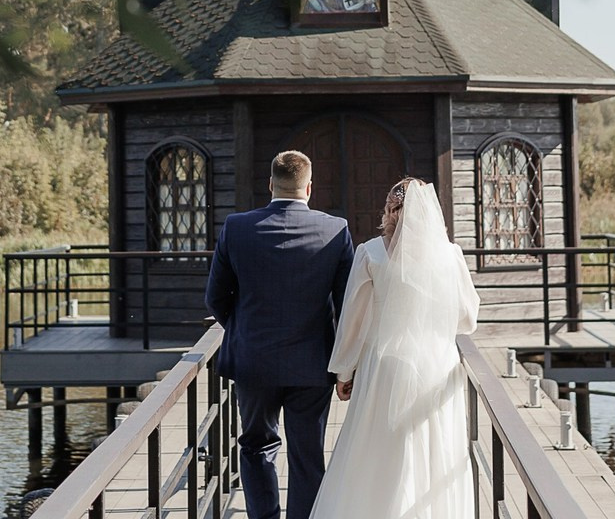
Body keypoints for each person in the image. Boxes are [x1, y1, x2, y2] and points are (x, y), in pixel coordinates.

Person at [310, 178, 481, 519]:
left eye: (390, 208)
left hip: (384, 365)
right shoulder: (451, 255)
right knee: (434, 454)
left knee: (376, 455)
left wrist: (344, 371)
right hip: (437, 366)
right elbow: (466, 319)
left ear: (390, 210)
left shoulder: (371, 252)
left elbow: (353, 321)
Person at [205, 150, 355, 519]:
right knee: (307, 456)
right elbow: (348, 304)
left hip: (253, 361)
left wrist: (243, 331)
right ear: (309, 187)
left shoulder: (236, 228)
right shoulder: (336, 229)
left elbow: (215, 298)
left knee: (256, 447)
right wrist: (345, 367)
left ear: (270, 184)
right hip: (313, 364)